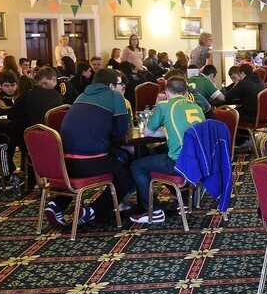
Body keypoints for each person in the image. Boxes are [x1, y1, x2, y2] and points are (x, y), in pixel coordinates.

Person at [47, 68, 133, 227]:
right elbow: (121, 132)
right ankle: (93, 211)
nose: (122, 88)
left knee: (106, 158)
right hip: (91, 162)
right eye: (120, 84)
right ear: (111, 85)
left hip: (65, 164)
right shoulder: (115, 97)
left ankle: (56, 204)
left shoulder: (80, 96)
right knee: (126, 175)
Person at [128, 75, 205, 224]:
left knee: (137, 166)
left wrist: (163, 124)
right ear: (185, 92)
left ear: (166, 92)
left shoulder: (164, 106)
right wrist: (168, 131)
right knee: (156, 154)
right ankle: (181, 202)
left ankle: (154, 211)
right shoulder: (196, 106)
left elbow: (149, 133)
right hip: (199, 161)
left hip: (179, 163)